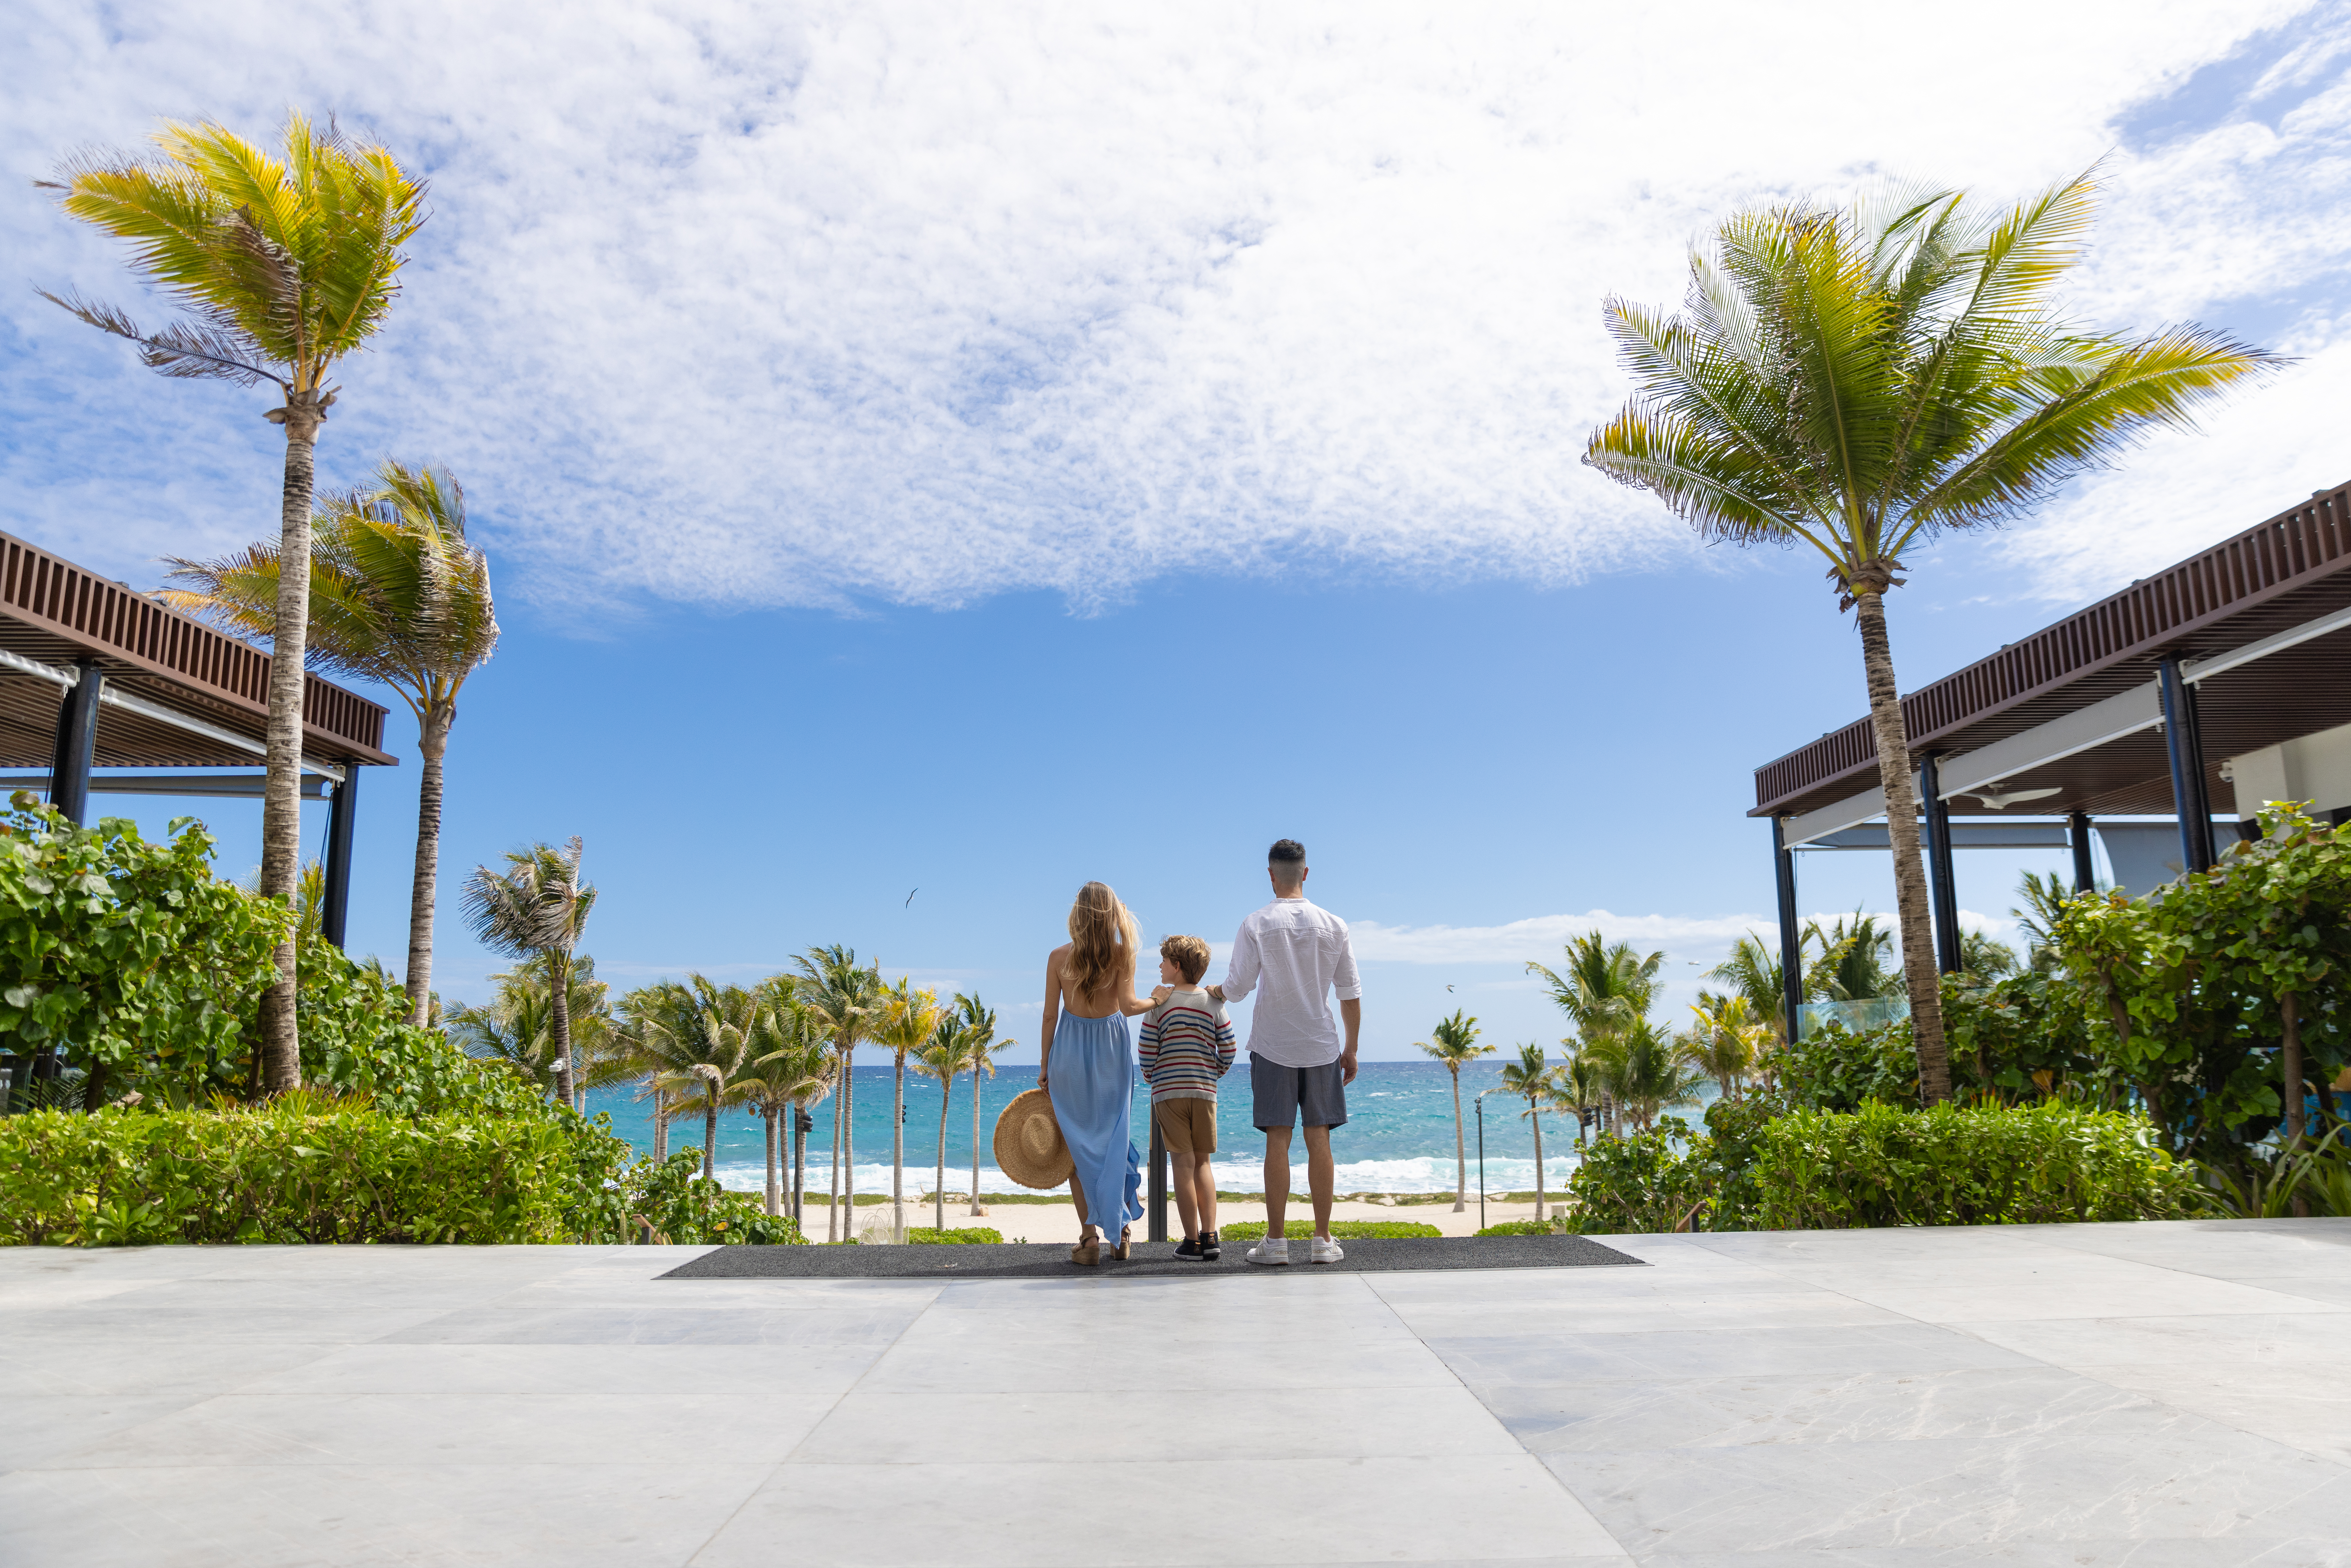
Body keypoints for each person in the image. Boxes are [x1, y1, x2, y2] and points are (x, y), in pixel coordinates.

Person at [1209, 839, 1361, 1265]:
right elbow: (1350, 994)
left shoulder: (1256, 923)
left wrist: (1215, 992)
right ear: (1306, 874)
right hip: (1321, 1045)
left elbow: (1237, 987)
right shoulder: (1335, 925)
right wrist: (1351, 1049)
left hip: (1273, 1046)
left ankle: (1276, 1243)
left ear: (1271, 876)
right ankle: (1322, 1241)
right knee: (1320, 1142)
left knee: (1278, 1141)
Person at [1038, 881, 1154, 1266]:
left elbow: (1051, 1016)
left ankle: (1089, 1241)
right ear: (1113, 915)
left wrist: (1044, 1066)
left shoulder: (1058, 957)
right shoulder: (1123, 956)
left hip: (1068, 1054)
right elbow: (1130, 1005)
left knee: (1080, 1149)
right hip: (1111, 1053)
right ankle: (1120, 1235)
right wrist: (1160, 998)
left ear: (1078, 914)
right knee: (1113, 1144)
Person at [1137, 934, 1236, 1261]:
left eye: (1164, 961)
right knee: (1203, 1163)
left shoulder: (1159, 1003)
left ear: (1176, 967)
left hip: (1168, 1093)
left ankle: (1191, 1241)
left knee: (1182, 1164)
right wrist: (1213, 1073)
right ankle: (1211, 1236)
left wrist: (1152, 1076)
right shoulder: (1214, 1004)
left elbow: (1147, 1052)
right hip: (1204, 1092)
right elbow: (1229, 1048)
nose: (1160, 966)